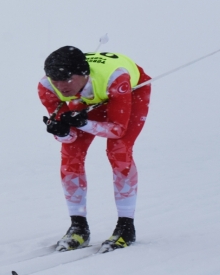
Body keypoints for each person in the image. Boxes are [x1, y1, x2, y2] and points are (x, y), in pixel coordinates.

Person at [38, 46, 151, 253]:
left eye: (67, 79)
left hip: (127, 91)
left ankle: (126, 227)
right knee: (70, 155)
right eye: (56, 80)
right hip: (86, 97)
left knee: (119, 151)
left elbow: (118, 130)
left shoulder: (115, 78)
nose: (61, 86)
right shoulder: (47, 87)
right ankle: (78, 227)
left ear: (83, 74)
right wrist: (61, 131)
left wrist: (83, 123)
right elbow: (69, 138)